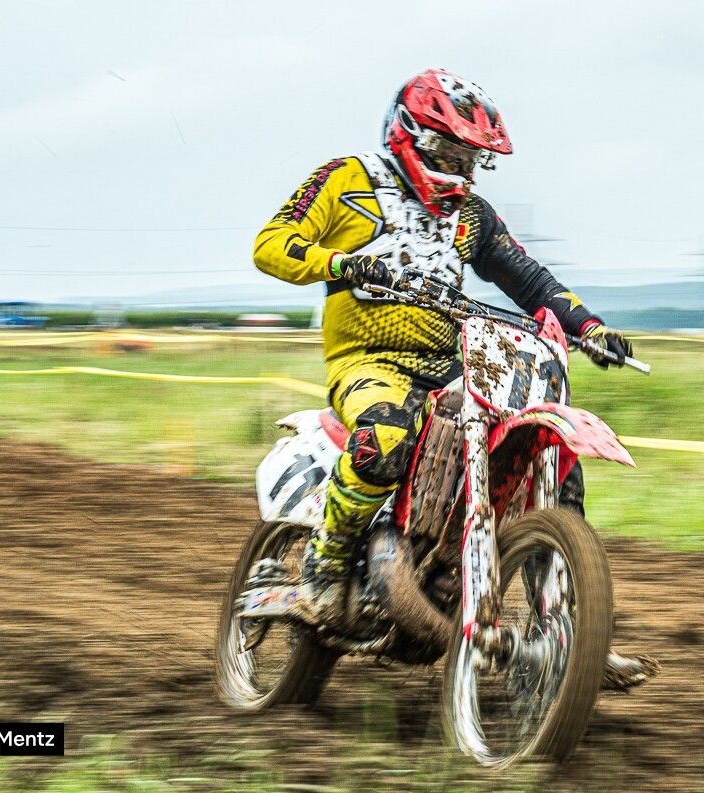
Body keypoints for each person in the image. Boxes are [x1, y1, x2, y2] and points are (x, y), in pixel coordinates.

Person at [254, 69, 654, 689]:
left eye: (470, 159)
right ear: (409, 135)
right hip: (370, 360)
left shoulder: (470, 215)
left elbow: (528, 278)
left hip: (452, 358)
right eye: (448, 152)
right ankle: (323, 572)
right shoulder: (348, 180)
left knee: (551, 460)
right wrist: (343, 263)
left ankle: (567, 629)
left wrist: (589, 327)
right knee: (386, 436)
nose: (460, 169)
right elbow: (272, 244)